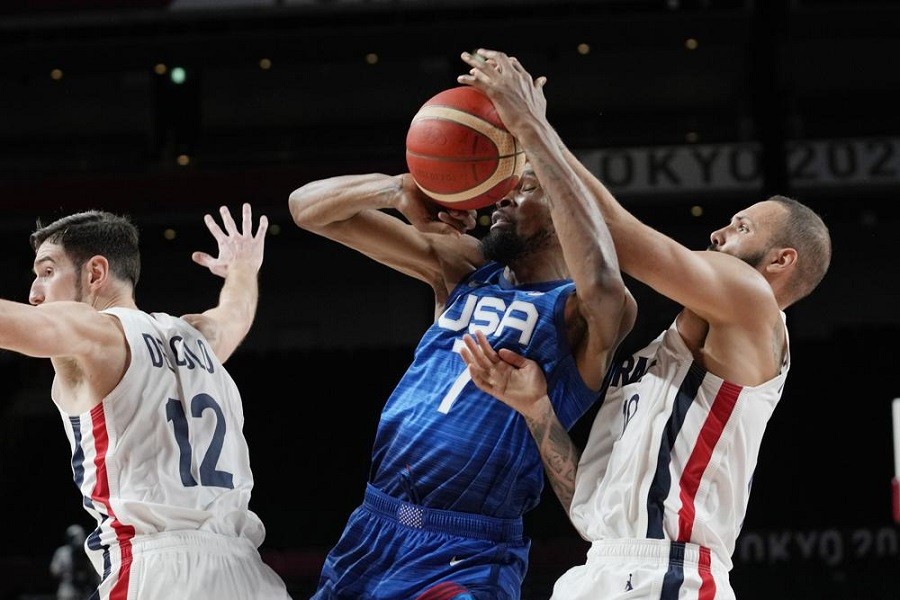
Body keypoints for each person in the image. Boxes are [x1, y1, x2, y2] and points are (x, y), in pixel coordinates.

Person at [458, 49, 833, 600]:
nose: (717, 235)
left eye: (741, 227)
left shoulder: (754, 303)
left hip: (671, 576)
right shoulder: (660, 354)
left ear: (781, 260)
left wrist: (533, 126)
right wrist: (538, 411)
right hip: (599, 571)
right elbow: (597, 513)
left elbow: (620, 239)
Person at [288, 51, 636, 599]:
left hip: (468, 549)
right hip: (373, 525)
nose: (502, 197)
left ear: (564, 211)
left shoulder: (583, 310)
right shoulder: (465, 270)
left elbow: (600, 273)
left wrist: (530, 125)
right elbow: (306, 209)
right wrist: (398, 188)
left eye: (522, 189)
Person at [4, 204, 292, 599]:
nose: (35, 293)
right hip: (247, 572)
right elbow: (235, 314)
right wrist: (243, 269)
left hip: (156, 571)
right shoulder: (199, 339)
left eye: (48, 273)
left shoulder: (96, 332)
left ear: (95, 273)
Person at [50, 523, 98, 600]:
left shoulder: (88, 552)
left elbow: (94, 573)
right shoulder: (62, 552)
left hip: (86, 589)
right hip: (68, 588)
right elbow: (55, 571)